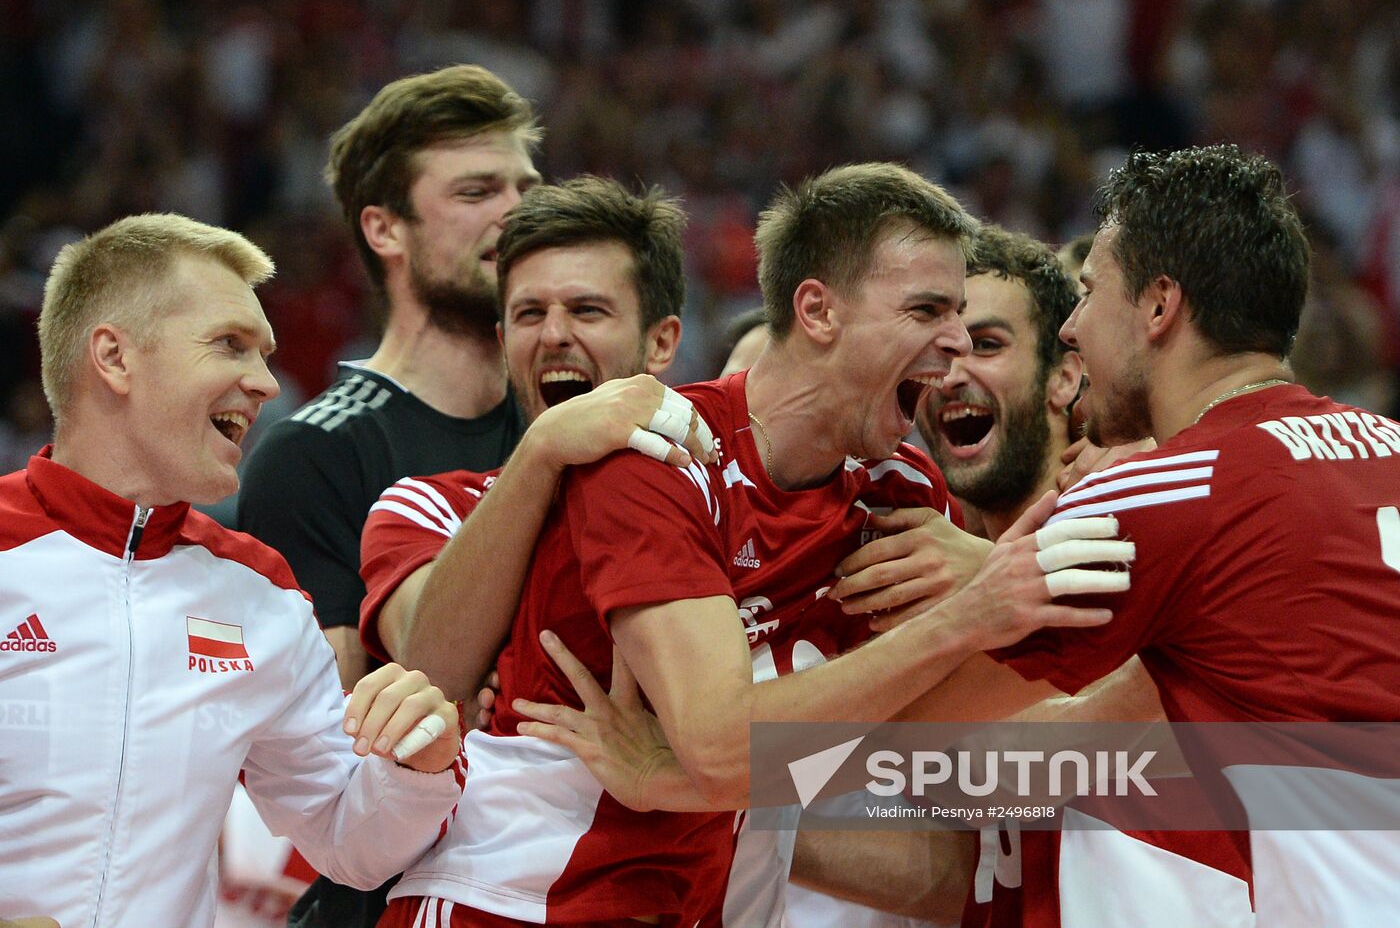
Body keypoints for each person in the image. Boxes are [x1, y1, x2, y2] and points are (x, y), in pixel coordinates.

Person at [382, 163, 1132, 926]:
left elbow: (920, 721)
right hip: (517, 899)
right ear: (818, 311)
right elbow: (722, 746)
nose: (956, 340)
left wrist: (1108, 633)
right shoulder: (656, 458)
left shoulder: (896, 489)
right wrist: (970, 616)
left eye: (962, 314)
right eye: (927, 309)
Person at [897, 144, 1400, 926]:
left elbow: (917, 740)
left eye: (1092, 291)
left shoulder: (1166, 491)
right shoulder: (1386, 448)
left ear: (1159, 305)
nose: (1072, 325)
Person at [0, 214, 464, 928]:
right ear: (115, 359)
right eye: (230, 346)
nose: (267, 383)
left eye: (266, 354)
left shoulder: (261, 592)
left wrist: (419, 770)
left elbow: (348, 841)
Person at [237, 64, 542, 691]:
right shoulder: (313, 456)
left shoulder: (571, 414)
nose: (519, 213)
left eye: (526, 189)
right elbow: (328, 742)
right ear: (384, 228)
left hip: (633, 787)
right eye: (477, 192)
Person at [360, 176, 712, 701]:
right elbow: (430, 679)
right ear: (504, 342)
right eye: (530, 314)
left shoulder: (732, 496)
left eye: (587, 310)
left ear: (660, 342)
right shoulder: (427, 507)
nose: (552, 335)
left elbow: (871, 757)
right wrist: (543, 449)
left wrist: (668, 771)